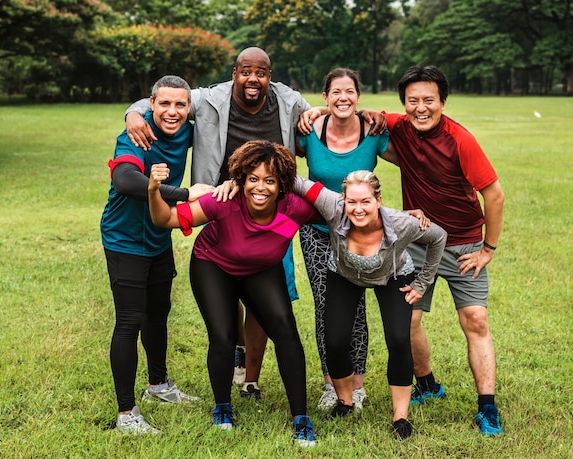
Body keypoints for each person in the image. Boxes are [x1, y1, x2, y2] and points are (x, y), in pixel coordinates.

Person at [125, 47, 387, 399]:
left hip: (271, 207)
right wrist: (133, 113)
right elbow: (163, 99)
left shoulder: (287, 99)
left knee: (265, 297)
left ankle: (250, 378)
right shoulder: (209, 99)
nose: (253, 79)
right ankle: (235, 350)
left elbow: (328, 113)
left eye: (261, 72)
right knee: (226, 284)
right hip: (221, 202)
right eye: (246, 71)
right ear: (234, 72)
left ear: (270, 75)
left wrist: (363, 111)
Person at [147, 140, 319, 447]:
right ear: (241, 179)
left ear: (282, 184)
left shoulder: (296, 208)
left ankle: (300, 417)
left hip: (261, 268)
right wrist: (152, 191)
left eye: (269, 180)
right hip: (214, 264)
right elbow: (166, 219)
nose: (260, 188)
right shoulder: (224, 202)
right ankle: (222, 406)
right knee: (224, 335)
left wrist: (398, 218)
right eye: (253, 179)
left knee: (286, 331)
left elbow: (347, 214)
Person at [385, 65, 505, 436]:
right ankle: (428, 385)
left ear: (443, 102)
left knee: (476, 321)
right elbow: (351, 111)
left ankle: (487, 407)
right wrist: (315, 112)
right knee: (408, 322)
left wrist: (488, 249)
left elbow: (495, 195)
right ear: (404, 103)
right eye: (412, 101)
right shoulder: (399, 127)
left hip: (466, 243)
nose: (421, 108)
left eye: (429, 101)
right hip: (419, 243)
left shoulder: (460, 139)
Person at [293, 170, 447, 439]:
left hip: (393, 276)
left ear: (378, 200)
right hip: (344, 273)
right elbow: (297, 181)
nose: (358, 208)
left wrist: (422, 283)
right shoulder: (334, 206)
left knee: (399, 339)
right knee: (336, 340)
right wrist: (247, 174)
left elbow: (438, 237)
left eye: (365, 201)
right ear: (343, 200)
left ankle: (400, 417)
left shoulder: (402, 223)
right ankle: (345, 401)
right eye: (352, 202)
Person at [100, 75, 211, 435]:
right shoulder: (137, 133)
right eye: (164, 103)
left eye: (180, 104)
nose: (172, 111)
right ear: (151, 104)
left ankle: (158, 386)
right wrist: (182, 194)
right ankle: (125, 414)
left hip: (158, 235)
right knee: (129, 320)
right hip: (125, 238)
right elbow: (125, 181)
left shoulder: (187, 131)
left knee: (158, 313)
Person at [295, 68, 396, 411]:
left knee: (356, 307)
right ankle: (330, 383)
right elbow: (279, 156)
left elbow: (412, 157)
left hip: (359, 233)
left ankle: (357, 385)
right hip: (316, 230)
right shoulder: (308, 131)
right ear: (324, 97)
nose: (343, 98)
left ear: (358, 96)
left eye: (350, 92)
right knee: (325, 306)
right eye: (335, 92)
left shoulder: (373, 132)